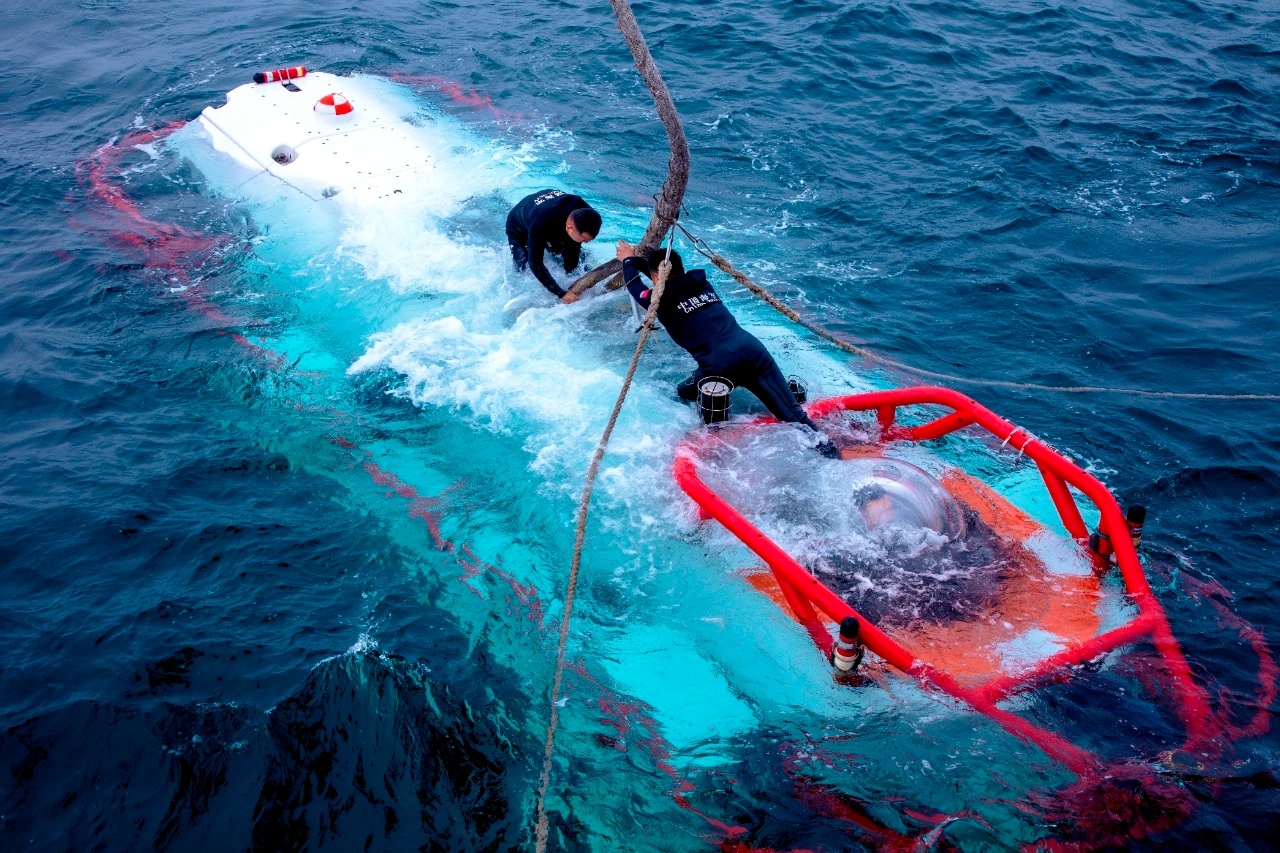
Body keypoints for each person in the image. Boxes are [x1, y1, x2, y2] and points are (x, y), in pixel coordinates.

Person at [617, 239, 836, 453]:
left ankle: (716, 446)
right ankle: (832, 453)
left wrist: (628, 261)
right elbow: (667, 281)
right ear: (681, 270)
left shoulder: (659, 298)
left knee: (683, 392)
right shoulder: (701, 282)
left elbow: (634, 286)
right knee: (796, 418)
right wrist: (638, 261)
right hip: (754, 353)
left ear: (656, 276)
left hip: (718, 368)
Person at [506, 189, 602, 304]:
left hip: (555, 214)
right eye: (584, 240)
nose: (586, 243)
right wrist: (561, 294)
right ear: (569, 227)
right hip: (519, 225)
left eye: (588, 240)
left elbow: (574, 249)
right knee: (523, 269)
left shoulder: (587, 213)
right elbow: (535, 264)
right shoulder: (540, 222)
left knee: (569, 258)